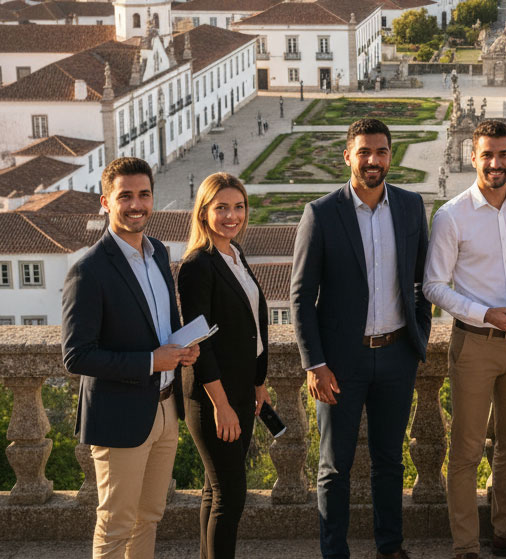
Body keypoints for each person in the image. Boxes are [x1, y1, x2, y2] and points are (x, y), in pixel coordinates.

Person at [291, 118, 431, 559]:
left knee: (390, 462)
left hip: (396, 356)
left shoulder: (410, 207)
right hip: (340, 363)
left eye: (382, 152)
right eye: (365, 152)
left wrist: (418, 338)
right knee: (335, 467)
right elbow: (300, 296)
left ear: (391, 155)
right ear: (348, 156)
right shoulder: (321, 213)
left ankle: (390, 548)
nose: (373, 160)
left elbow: (421, 281)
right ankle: (334, 553)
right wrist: (314, 363)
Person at [424, 120, 506, 559]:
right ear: (472, 156)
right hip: (475, 343)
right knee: (465, 448)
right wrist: (485, 314)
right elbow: (434, 286)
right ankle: (464, 547)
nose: (495, 163)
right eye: (486, 155)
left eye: (502, 154)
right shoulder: (451, 215)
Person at [61, 157, 199, 559]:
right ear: (106, 201)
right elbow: (76, 356)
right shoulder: (88, 270)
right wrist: (150, 362)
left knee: (150, 515)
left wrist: (181, 347)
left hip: (164, 409)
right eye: (125, 196)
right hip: (119, 415)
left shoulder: (158, 253)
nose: (136, 204)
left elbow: (161, 327)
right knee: (117, 521)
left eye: (144, 195)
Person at [177, 173, 271, 559]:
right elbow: (199, 342)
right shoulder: (198, 265)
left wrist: (259, 382)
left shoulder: (234, 254)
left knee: (215, 491)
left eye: (238, 207)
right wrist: (222, 404)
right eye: (221, 208)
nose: (232, 216)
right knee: (230, 497)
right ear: (203, 213)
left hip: (240, 388)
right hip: (214, 396)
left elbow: (250, 325)